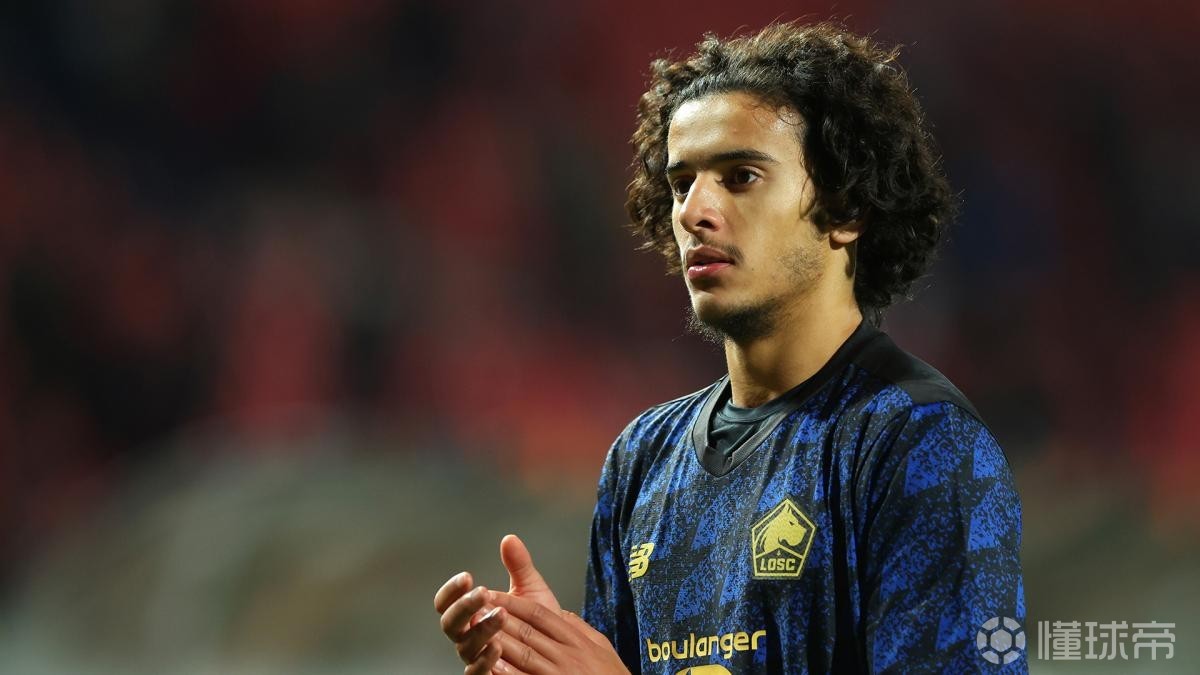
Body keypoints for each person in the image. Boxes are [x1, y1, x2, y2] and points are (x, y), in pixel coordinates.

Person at [434, 21, 1025, 674]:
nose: (694, 212)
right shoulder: (642, 459)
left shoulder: (918, 440)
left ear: (847, 209)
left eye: (740, 176)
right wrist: (540, 660)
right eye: (681, 183)